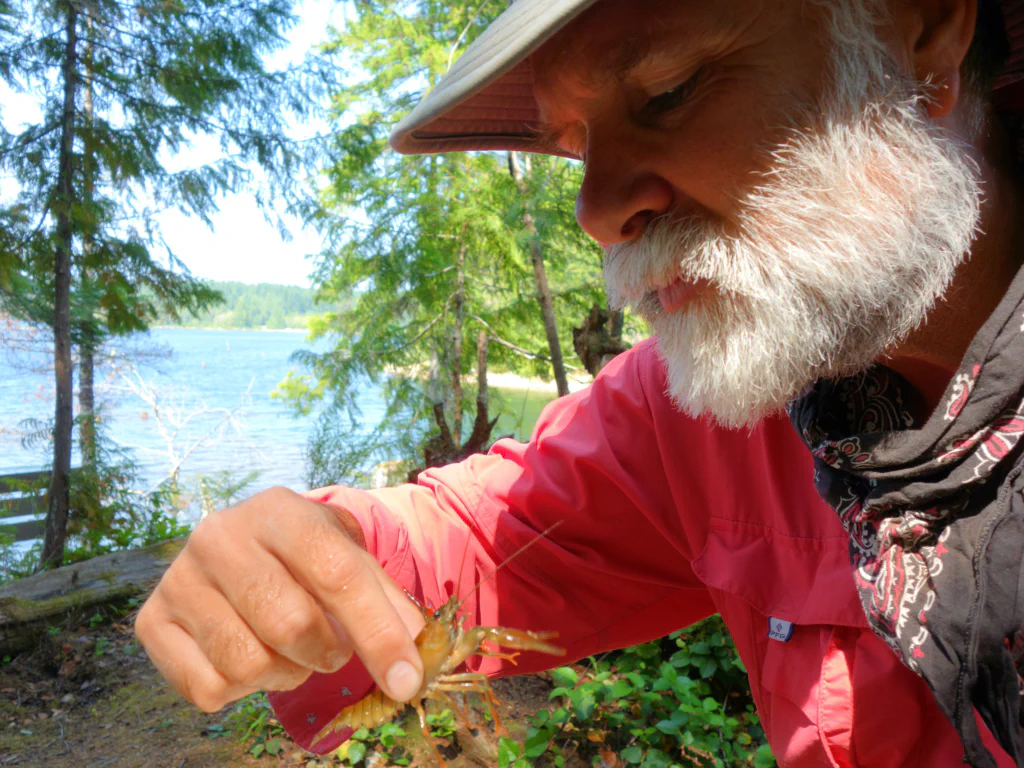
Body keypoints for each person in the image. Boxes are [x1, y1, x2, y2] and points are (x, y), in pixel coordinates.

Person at [134, 0, 1024, 764]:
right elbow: (488, 540)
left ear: (924, 31)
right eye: (574, 147)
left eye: (669, 90)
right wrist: (306, 559)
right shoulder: (718, 408)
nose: (594, 213)